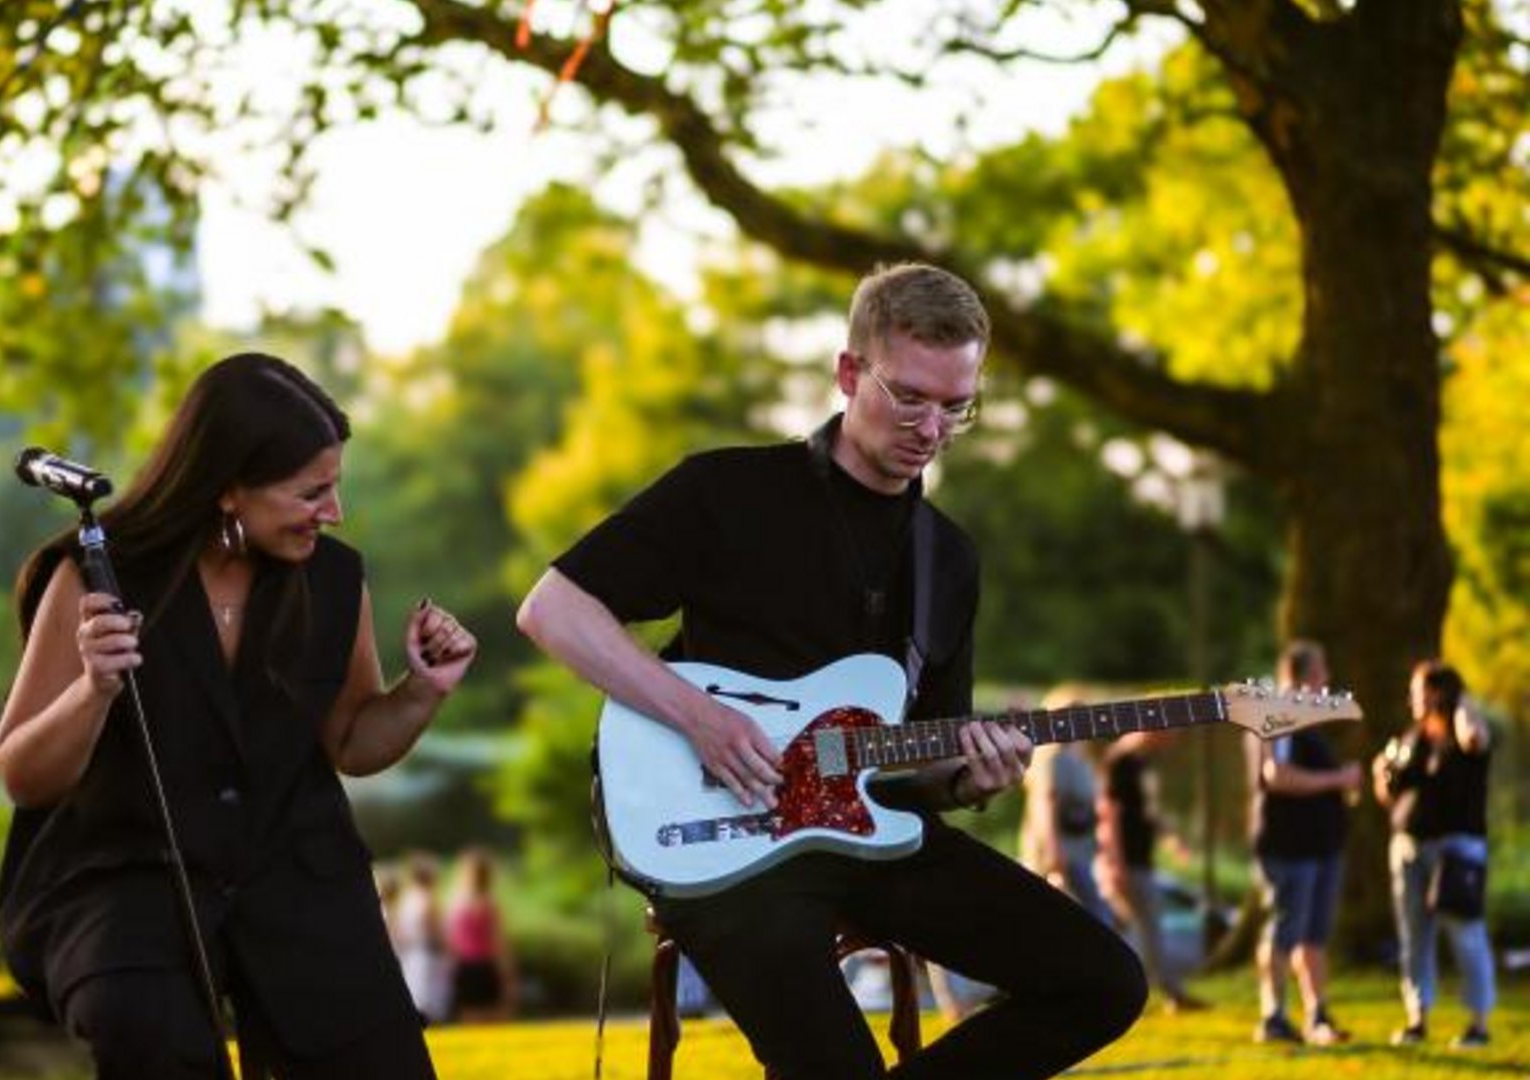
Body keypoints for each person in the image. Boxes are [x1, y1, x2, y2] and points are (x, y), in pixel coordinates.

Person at [516, 263, 1146, 1080]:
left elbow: (924, 764)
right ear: (850, 374)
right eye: (910, 396)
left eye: (957, 406)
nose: (932, 427)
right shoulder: (729, 491)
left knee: (1102, 983)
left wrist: (970, 777)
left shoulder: (946, 557)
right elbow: (552, 609)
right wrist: (698, 717)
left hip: (865, 834)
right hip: (722, 841)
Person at [0, 353, 478, 1079]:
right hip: (129, 878)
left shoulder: (335, 578)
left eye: (336, 487)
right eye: (310, 492)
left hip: (296, 870)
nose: (334, 513)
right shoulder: (94, 575)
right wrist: (92, 688)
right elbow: (24, 775)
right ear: (227, 489)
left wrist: (422, 691)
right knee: (150, 1034)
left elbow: (349, 740)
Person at [1374, 658, 1496, 1049]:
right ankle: (1417, 1018)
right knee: (1414, 936)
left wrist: (1459, 707)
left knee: (1466, 934)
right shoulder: (1412, 739)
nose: (1412, 698)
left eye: (1419, 690)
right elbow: (1388, 793)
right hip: (1410, 846)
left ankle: (1478, 1023)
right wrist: (1381, 769)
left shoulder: (1465, 729)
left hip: (1457, 850)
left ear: (1437, 692)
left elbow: (1475, 738)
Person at [1246, 640, 1360, 1045]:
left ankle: (1317, 1015)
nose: (1326, 679)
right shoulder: (1278, 713)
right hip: (1288, 846)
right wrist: (1338, 780)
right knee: (1285, 931)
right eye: (1321, 671)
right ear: (1305, 676)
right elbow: (1276, 775)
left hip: (1320, 845)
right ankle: (1273, 1016)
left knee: (1312, 935)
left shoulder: (1302, 720)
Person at [1097, 729, 1206, 1013]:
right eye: (1168, 737)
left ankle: (1157, 991)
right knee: (1144, 928)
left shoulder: (1142, 763)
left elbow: (1145, 811)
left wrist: (1171, 837)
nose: (1171, 743)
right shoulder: (1121, 762)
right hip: (1128, 860)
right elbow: (1111, 813)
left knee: (1141, 928)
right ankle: (1164, 992)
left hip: (1141, 859)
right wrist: (1116, 861)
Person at [1018, 687, 1112, 925]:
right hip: (1063, 855)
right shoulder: (1052, 759)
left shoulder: (1080, 758)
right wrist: (1053, 852)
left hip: (1083, 851)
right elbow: (1045, 804)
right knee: (1099, 918)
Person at [443, 848, 518, 1023]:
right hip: (486, 966)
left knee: (468, 1018)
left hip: (463, 966)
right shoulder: (489, 904)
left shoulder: (454, 902)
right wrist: (509, 977)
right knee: (493, 1019)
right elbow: (498, 943)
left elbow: (449, 940)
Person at [393, 852, 452, 1026]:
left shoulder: (405, 898)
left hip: (410, 955)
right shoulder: (427, 899)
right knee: (431, 1007)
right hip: (428, 957)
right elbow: (436, 932)